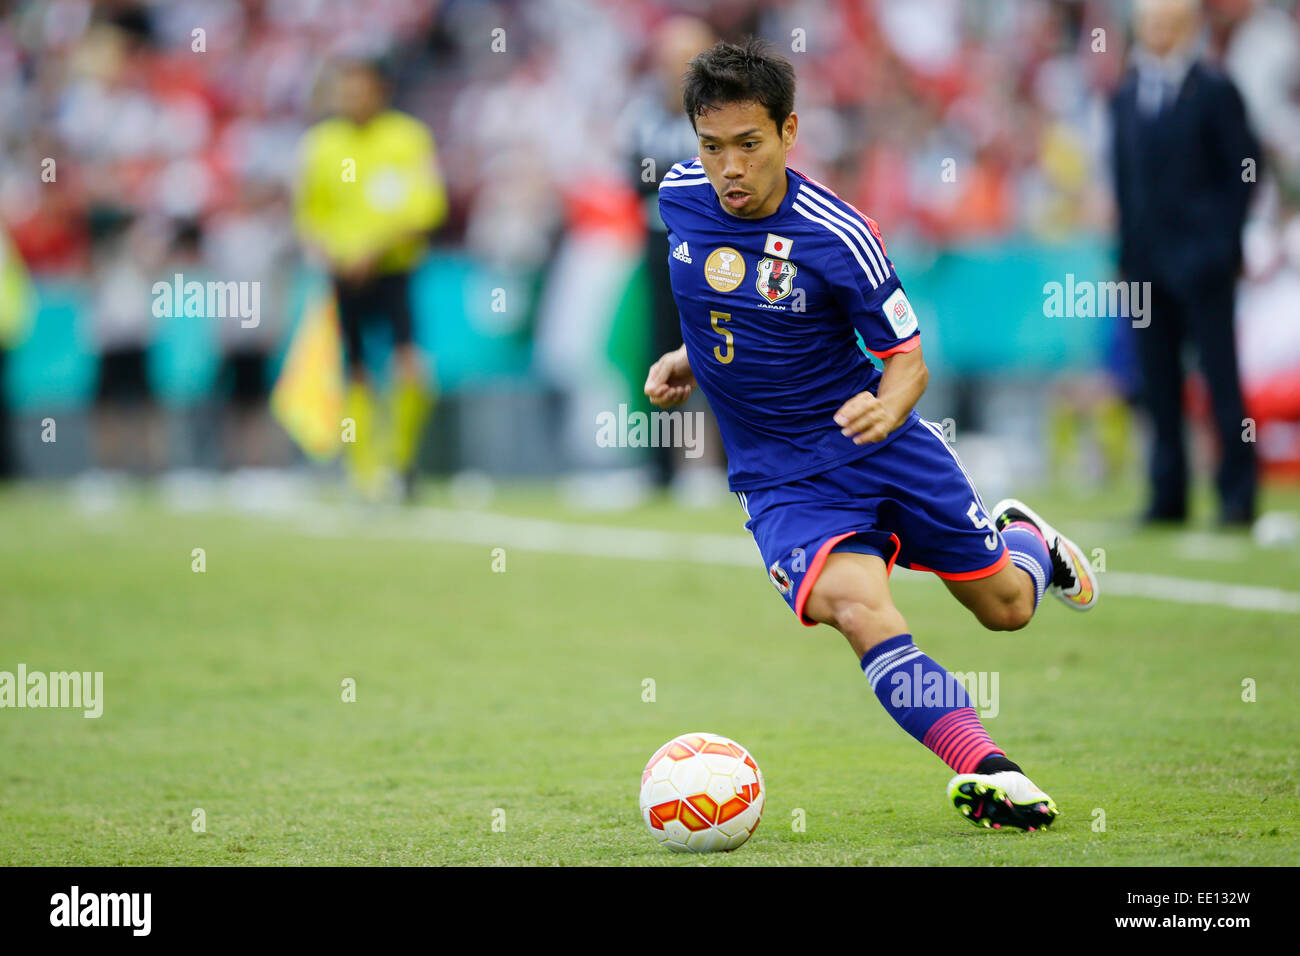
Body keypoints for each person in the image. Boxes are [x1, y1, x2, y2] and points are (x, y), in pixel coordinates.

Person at [644, 39, 1100, 830]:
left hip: (881, 445)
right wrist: (692, 358)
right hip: (783, 480)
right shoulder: (679, 198)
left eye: (749, 145)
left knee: (1007, 609)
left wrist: (890, 409)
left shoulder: (839, 236)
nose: (730, 169)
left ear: (790, 131)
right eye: (712, 147)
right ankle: (989, 768)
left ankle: (1026, 542)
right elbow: (728, 304)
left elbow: (907, 359)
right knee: (857, 609)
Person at [1110, 0, 1261, 526]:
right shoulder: (1128, 95)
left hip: (1202, 266)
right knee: (1158, 385)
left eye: (1166, 25)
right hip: (1148, 267)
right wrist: (1126, 258)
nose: (1156, 35)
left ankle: (1237, 493)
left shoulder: (1215, 90)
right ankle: (1167, 494)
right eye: (1150, 25)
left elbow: (1244, 169)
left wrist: (1221, 245)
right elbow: (1125, 186)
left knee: (1220, 379)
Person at [294, 57, 447, 500]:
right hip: (343, 274)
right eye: (345, 89)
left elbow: (428, 206)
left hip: (394, 268)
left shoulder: (407, 138)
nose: (352, 97)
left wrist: (373, 248)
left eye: (360, 88)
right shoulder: (321, 144)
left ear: (381, 90)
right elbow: (310, 213)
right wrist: (332, 252)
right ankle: (362, 469)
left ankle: (400, 462)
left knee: (408, 363)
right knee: (354, 368)